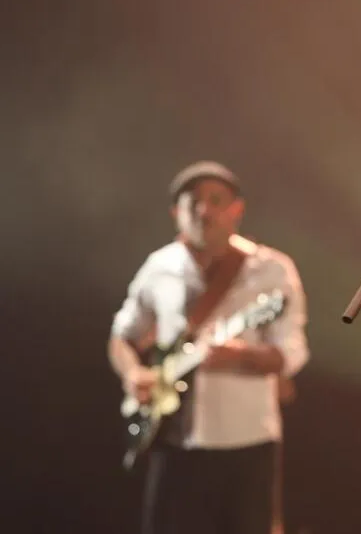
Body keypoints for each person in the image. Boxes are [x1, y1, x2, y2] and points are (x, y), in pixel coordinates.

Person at [108, 161, 309, 534]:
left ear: (237, 210)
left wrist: (243, 357)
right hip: (174, 443)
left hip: (247, 443)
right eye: (193, 202)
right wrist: (133, 374)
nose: (204, 210)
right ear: (176, 213)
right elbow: (122, 336)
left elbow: (294, 350)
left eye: (216, 200)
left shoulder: (272, 270)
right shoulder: (158, 267)